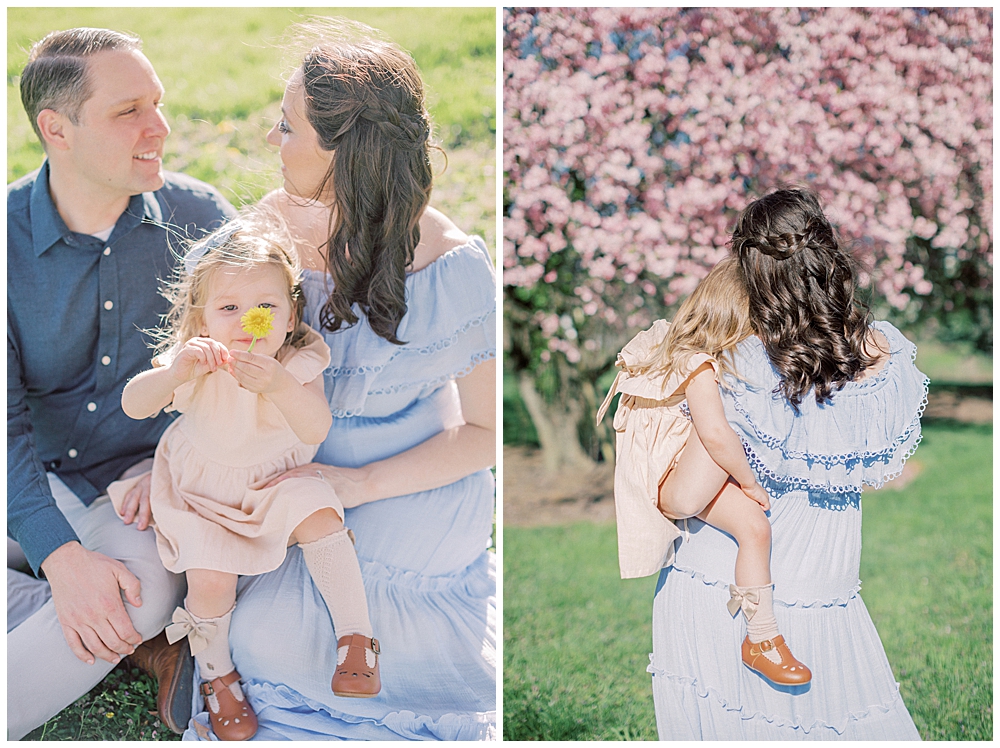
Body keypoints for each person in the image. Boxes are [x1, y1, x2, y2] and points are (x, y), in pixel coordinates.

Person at [181, 21, 497, 740]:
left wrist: (360, 484)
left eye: (286, 127)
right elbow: (204, 371)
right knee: (265, 634)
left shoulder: (453, 266)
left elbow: (484, 434)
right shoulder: (260, 244)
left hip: (411, 477)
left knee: (320, 637)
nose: (271, 141)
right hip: (286, 470)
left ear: (343, 154)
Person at [7, 28, 235, 739]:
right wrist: (60, 555)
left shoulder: (203, 225)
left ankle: (126, 631)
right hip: (24, 481)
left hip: (135, 498)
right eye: (128, 109)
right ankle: (128, 636)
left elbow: (241, 381)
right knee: (96, 589)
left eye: (158, 103)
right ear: (57, 130)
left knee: (134, 596)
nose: (159, 127)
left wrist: (167, 459)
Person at [649, 189, 927, 739]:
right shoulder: (885, 358)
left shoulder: (744, 366)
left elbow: (685, 498)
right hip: (827, 594)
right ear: (830, 258)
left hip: (727, 596)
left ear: (750, 271)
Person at [107, 212, 382, 740]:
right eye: (229, 308)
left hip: (275, 478)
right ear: (204, 317)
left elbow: (316, 426)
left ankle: (356, 637)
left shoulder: (299, 362)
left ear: (289, 313)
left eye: (265, 308)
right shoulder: (199, 363)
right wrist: (172, 373)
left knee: (320, 514)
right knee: (210, 582)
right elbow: (135, 406)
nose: (246, 320)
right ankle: (217, 675)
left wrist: (279, 385)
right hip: (203, 490)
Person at [597, 258, 811, 686]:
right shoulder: (698, 363)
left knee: (755, 529)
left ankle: (762, 638)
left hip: (679, 478)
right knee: (732, 428)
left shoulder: (684, 350)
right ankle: (762, 640)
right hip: (676, 484)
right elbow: (714, 434)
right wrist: (749, 481)